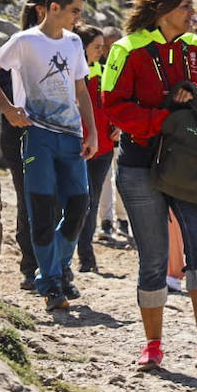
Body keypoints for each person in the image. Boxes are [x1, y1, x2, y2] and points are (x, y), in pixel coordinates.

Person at [102, 0, 197, 371]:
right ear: (160, 10)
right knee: (153, 258)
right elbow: (114, 104)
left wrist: (195, 96)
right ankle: (153, 347)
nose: (192, 14)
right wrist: (163, 119)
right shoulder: (127, 50)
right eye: (185, 7)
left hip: (192, 166)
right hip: (139, 163)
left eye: (192, 6)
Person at [0, 0, 98, 312]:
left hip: (71, 135)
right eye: (75, 11)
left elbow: (82, 90)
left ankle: (55, 270)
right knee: (42, 210)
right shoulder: (24, 41)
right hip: (37, 136)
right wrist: (8, 108)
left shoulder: (74, 43)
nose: (78, 19)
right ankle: (51, 281)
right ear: (54, 8)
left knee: (78, 206)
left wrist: (92, 133)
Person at [0, 0, 51, 291]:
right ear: (42, 10)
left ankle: (50, 263)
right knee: (30, 200)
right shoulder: (18, 44)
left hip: (56, 135)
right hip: (22, 136)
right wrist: (16, 110)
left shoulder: (64, 44)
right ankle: (32, 266)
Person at [75, 25, 116, 274]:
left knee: (91, 200)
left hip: (104, 147)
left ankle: (86, 257)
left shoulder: (104, 69)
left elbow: (113, 102)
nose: (102, 52)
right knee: (75, 200)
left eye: (103, 47)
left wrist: (118, 126)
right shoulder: (70, 70)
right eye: (97, 47)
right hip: (75, 145)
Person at [97, 25, 129, 241]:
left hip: (122, 132)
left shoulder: (127, 67)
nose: (108, 51)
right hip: (102, 134)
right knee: (105, 178)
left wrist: (122, 125)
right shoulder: (95, 68)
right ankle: (106, 221)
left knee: (122, 178)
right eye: (105, 47)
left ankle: (124, 220)